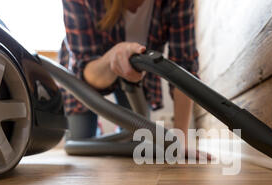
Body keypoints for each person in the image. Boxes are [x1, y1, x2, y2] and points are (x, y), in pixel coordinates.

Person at [59, 0, 198, 145]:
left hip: (136, 77)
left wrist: (180, 141)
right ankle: (100, 132)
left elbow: (184, 68)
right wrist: (112, 58)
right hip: (89, 71)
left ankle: (120, 134)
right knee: (80, 141)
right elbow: (86, 71)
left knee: (138, 139)